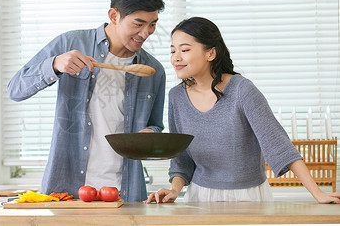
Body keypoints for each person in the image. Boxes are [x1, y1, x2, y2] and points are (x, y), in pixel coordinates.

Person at [145, 17, 340, 204]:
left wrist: (317, 193)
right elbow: (182, 157)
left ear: (210, 53)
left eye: (185, 50)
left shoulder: (242, 90)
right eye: (172, 51)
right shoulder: (176, 97)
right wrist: (174, 191)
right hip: (199, 196)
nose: (175, 58)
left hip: (248, 196)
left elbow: (277, 143)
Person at [8, 0, 166, 202]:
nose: (146, 33)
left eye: (153, 24)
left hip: (125, 192)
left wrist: (150, 134)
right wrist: (53, 65)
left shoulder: (153, 70)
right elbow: (15, 89)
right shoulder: (71, 44)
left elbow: (155, 125)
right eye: (138, 24)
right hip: (68, 189)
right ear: (114, 16)